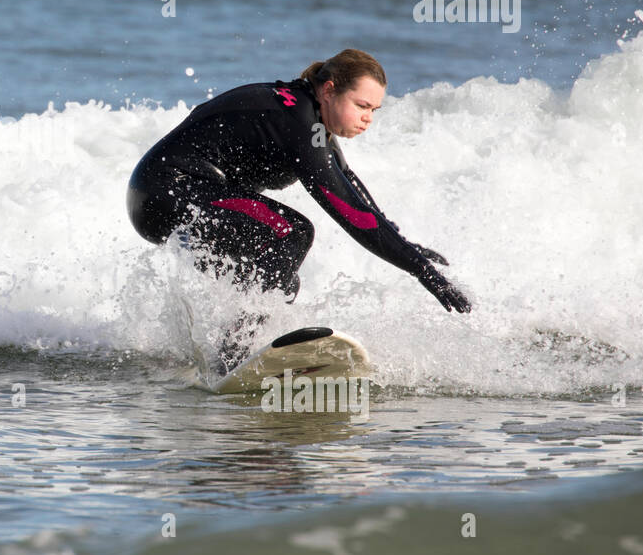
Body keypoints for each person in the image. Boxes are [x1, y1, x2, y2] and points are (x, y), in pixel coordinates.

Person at [126, 49, 471, 370]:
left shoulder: (311, 120)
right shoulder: (299, 123)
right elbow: (350, 214)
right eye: (362, 105)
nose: (368, 118)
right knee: (292, 232)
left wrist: (403, 244)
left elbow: (350, 187)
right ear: (329, 90)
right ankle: (232, 355)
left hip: (173, 194)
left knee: (281, 280)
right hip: (166, 191)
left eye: (374, 111)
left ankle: (216, 352)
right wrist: (421, 270)